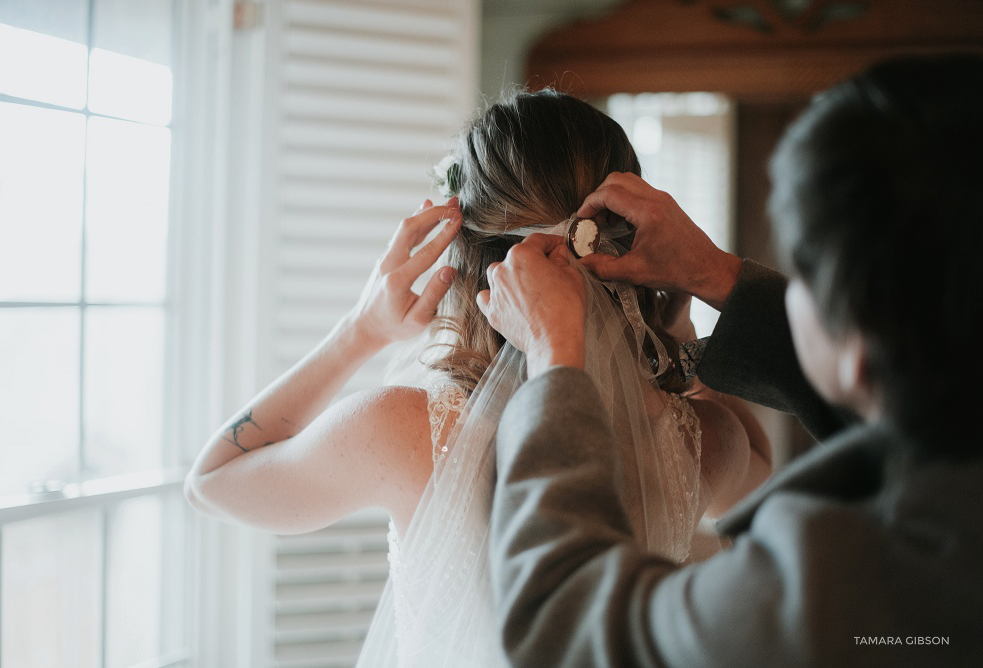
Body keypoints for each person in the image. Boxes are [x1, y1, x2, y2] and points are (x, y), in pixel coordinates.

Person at [184, 90, 770, 666]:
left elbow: (211, 481)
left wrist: (360, 331)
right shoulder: (705, 440)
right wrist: (684, 337)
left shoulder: (402, 430)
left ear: (465, 257)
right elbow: (762, 475)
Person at [482, 54, 983, 667]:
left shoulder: (843, 589)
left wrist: (555, 354)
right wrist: (711, 273)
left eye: (801, 277)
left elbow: (563, 627)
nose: (789, 291)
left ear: (856, 354)